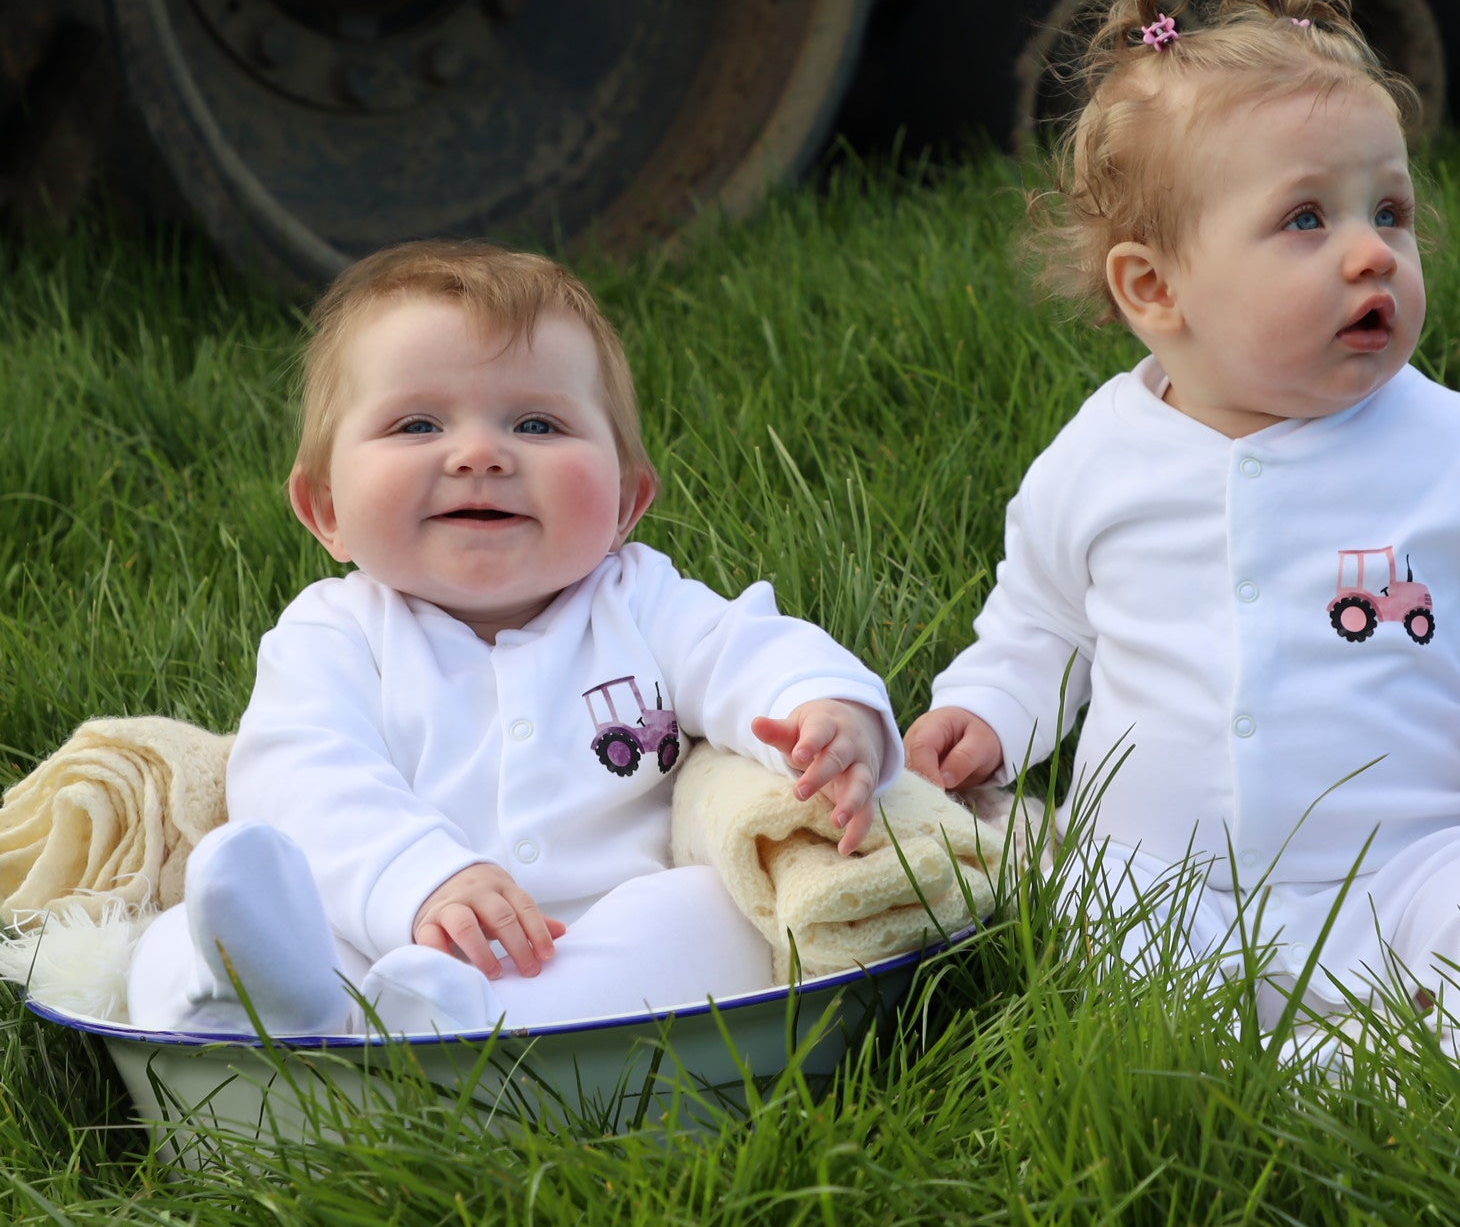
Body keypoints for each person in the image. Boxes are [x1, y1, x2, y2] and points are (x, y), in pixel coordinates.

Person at [900, 0, 1460, 1059]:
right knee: (1116, 951)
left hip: (1415, 850)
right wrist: (987, 717)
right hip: (1167, 872)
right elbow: (1042, 625)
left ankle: (1439, 1070)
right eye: (1309, 220)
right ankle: (1270, 1077)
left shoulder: (1457, 448)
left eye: (1388, 213)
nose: (1371, 255)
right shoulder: (1100, 458)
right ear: (1157, 289)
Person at [125, 242, 897, 1039]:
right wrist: (420, 880)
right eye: (416, 423)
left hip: (585, 947)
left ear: (627, 500)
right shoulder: (334, 634)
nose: (480, 454)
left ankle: (453, 1025)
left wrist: (826, 710)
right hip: (378, 932)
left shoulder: (639, 599)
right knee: (168, 942)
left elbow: (749, 648)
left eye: (537, 423)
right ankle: (279, 1000)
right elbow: (304, 776)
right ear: (326, 508)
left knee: (713, 910)